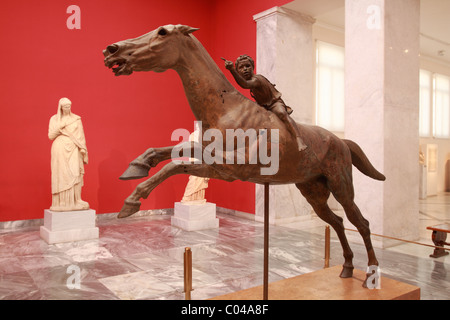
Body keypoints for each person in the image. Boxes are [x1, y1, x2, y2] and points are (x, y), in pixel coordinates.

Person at [223, 55, 307, 151]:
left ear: (253, 67)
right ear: (239, 71)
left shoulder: (256, 79)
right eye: (241, 68)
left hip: (273, 103)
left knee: (282, 114)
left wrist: (232, 70)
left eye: (247, 66)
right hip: (262, 105)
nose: (245, 69)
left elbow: (245, 85)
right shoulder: (252, 81)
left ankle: (299, 139)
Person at [48, 97, 89, 211]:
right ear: (60, 107)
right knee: (61, 174)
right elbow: (51, 136)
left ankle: (76, 200)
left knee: (75, 173)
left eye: (69, 106)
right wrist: (60, 126)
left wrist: (83, 148)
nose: (67, 108)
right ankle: (61, 202)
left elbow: (81, 135)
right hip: (60, 148)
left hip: (74, 148)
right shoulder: (55, 119)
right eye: (65, 106)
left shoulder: (76, 119)